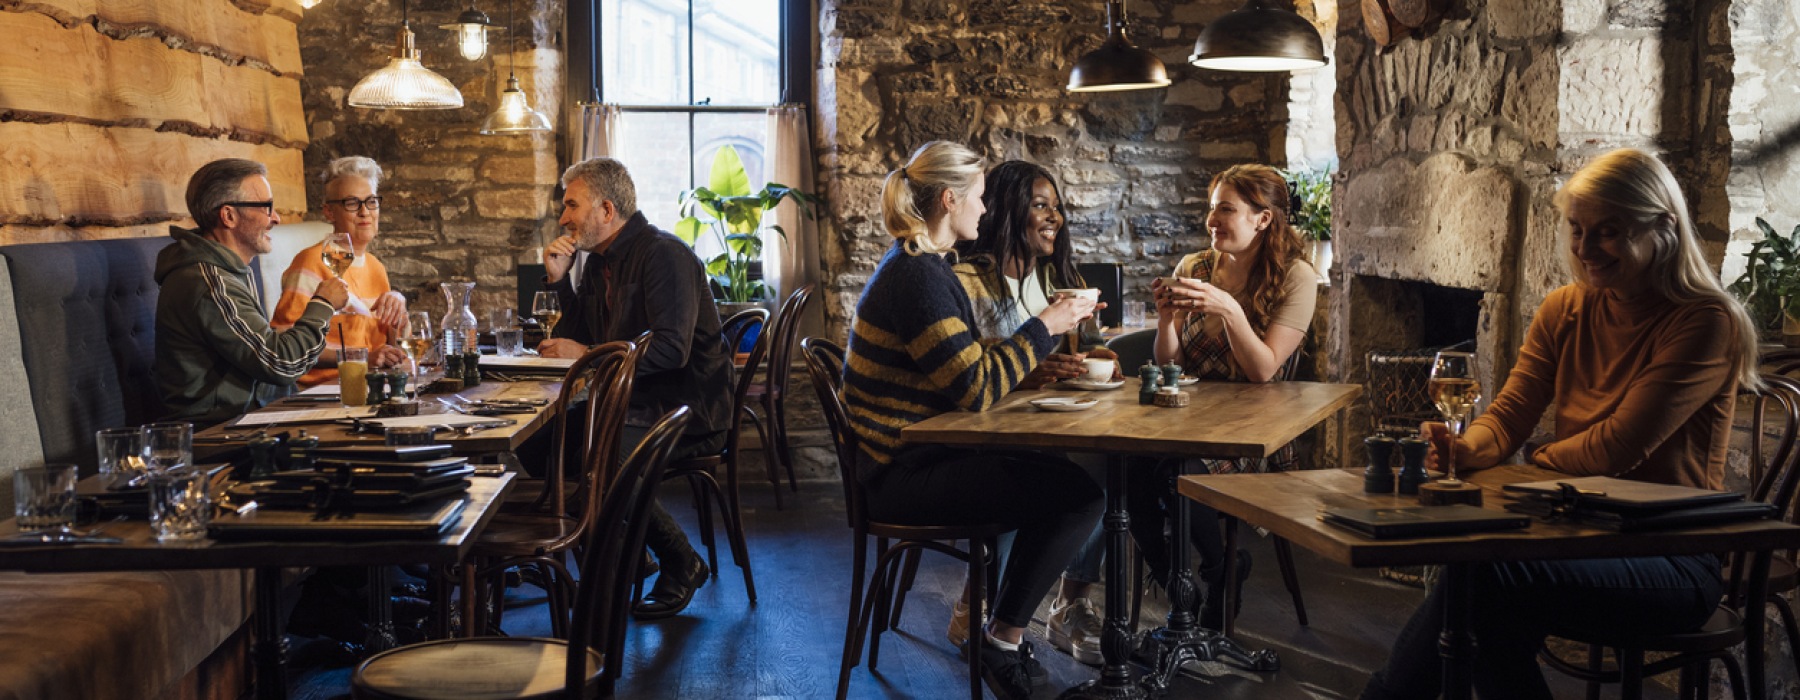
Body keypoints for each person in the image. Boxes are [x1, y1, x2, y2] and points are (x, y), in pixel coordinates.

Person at [1359, 148, 1761, 699]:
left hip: (1670, 555)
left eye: (1608, 232)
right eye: (1577, 229)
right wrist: (1464, 448)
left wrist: (1537, 459)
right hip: (1572, 534)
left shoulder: (1704, 321)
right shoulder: (1565, 308)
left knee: (1481, 580)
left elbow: (1614, 450)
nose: (1586, 248)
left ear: (1663, 228)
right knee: (1482, 591)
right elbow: (1506, 418)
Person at [842, 141, 1105, 700]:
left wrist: (1031, 361)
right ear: (948, 200)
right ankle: (1002, 639)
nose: (985, 211)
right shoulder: (919, 277)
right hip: (898, 479)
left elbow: (963, 362)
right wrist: (1047, 324)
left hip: (915, 459)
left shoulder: (922, 267)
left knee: (1060, 475)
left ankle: (998, 630)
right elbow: (977, 388)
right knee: (1081, 495)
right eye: (980, 198)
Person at [536, 156, 734, 620]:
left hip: (688, 412)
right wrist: (559, 282)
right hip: (634, 406)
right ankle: (628, 551)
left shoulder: (663, 254)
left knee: (597, 453)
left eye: (571, 206)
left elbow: (671, 351)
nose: (563, 218)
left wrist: (584, 350)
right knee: (541, 445)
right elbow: (581, 332)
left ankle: (680, 560)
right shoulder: (598, 264)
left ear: (607, 210)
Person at [1125, 163, 1318, 632]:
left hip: (1254, 432)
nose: (1213, 220)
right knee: (1127, 471)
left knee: (1179, 474)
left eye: (1226, 210)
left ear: (1263, 219)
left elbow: (1263, 370)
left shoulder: (1297, 278)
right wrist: (1166, 321)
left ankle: (1220, 571)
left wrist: (1230, 310)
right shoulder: (1193, 268)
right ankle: (1177, 584)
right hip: (1188, 421)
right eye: (1212, 209)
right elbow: (1171, 362)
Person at [949, 160, 1107, 665]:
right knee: (1062, 476)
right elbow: (967, 375)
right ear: (1006, 210)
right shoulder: (966, 281)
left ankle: (1070, 602)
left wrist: (1096, 359)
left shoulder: (1059, 277)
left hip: (1057, 419)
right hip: (988, 432)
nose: (1054, 216)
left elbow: (1095, 349)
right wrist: (1029, 369)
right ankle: (981, 598)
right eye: (1040, 205)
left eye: (1056, 206)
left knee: (1107, 471)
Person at [156, 158, 349, 427]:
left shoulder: (228, 270)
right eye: (267, 207)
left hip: (258, 417)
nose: (276, 218)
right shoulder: (210, 283)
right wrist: (323, 304)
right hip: (219, 431)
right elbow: (282, 364)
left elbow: (263, 346)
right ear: (229, 216)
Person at [273, 156, 407, 384]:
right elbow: (284, 342)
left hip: (372, 385)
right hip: (324, 392)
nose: (365, 212)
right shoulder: (312, 262)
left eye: (371, 201)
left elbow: (394, 344)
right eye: (352, 203)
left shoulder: (376, 267)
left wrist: (399, 307)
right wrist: (362, 359)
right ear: (329, 212)